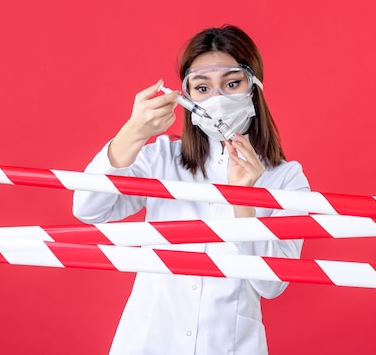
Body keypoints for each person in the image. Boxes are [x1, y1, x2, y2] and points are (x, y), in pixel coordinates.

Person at [72, 25, 310, 355]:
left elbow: (272, 285)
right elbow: (88, 208)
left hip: (230, 345)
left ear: (253, 87)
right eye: (201, 88)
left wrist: (245, 201)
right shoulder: (161, 159)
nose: (218, 99)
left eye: (231, 83)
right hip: (148, 342)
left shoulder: (286, 177)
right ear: (186, 97)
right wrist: (132, 133)